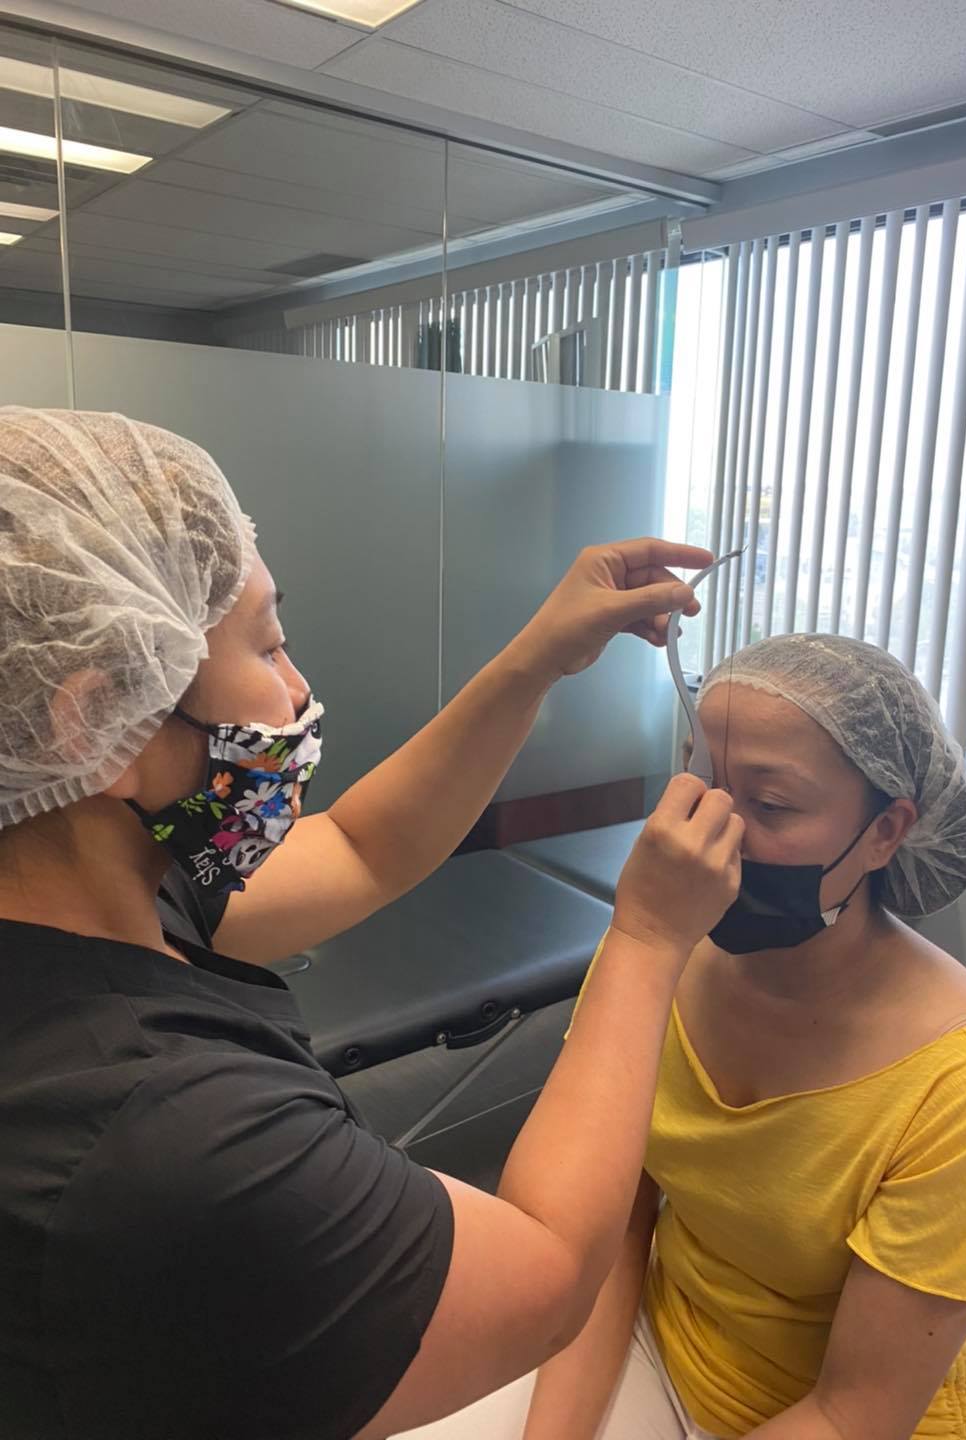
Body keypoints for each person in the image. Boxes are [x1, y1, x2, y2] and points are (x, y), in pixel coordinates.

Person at [0, 406, 747, 1440]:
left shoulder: (80, 887)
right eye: (269, 647)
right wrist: (649, 937)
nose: (300, 694)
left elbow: (361, 846)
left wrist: (536, 659)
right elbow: (553, 1270)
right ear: (96, 721)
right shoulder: (167, 1143)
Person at [407, 634, 966, 1440]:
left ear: (886, 832)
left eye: (772, 805)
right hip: (666, 1344)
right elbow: (615, 1228)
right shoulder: (660, 957)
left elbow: (855, 1411)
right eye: (703, 781)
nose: (710, 831)